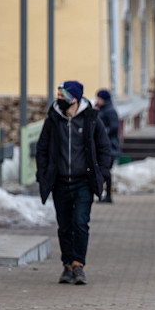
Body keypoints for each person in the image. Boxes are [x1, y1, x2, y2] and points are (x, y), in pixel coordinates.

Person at [36, 80, 111, 285]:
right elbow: (42, 149)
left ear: (74, 98)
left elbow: (104, 148)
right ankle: (67, 266)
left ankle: (78, 264)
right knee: (64, 226)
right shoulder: (53, 120)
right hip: (60, 183)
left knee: (80, 223)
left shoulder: (91, 119)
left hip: (83, 183)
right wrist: (43, 174)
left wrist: (102, 174)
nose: (59, 99)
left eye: (63, 96)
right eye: (58, 95)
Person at [95, 89, 120, 203]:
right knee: (103, 170)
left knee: (105, 171)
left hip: (110, 146)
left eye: (99, 98)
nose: (97, 100)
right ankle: (104, 194)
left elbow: (114, 127)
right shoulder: (101, 109)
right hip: (102, 145)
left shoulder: (110, 111)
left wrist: (102, 133)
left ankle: (107, 194)